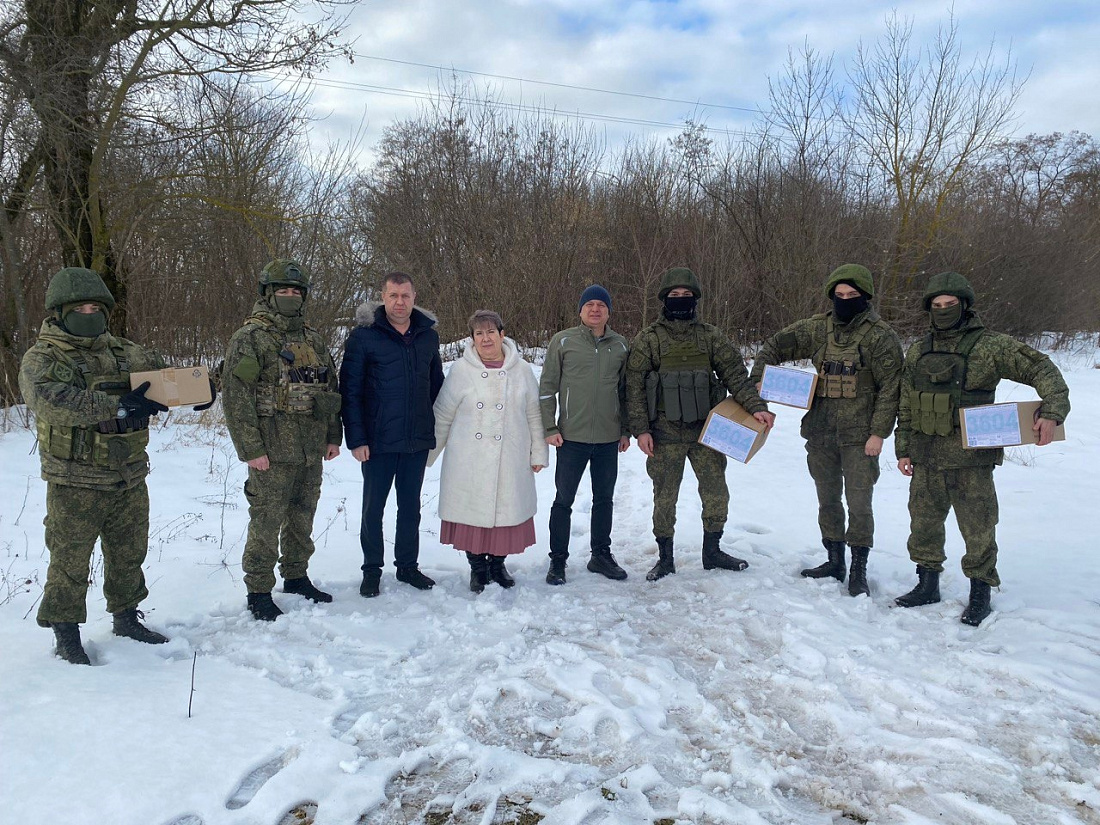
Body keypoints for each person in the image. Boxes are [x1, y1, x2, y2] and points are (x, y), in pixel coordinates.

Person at [19, 267, 204, 663]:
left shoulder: (126, 352)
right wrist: (117, 405)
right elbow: (50, 400)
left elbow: (165, 380)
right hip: (76, 480)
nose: (89, 314)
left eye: (95, 308)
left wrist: (199, 390)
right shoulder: (43, 357)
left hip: (128, 473)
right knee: (70, 560)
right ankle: (66, 633)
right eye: (79, 309)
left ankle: (126, 618)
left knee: (129, 553)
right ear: (59, 312)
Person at [894, 271, 1070, 626]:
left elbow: (1041, 368)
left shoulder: (989, 346)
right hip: (926, 455)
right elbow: (907, 402)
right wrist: (904, 447)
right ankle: (927, 584)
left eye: (950, 304)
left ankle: (980, 592)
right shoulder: (919, 349)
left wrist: (1052, 412)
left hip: (971, 458)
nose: (943, 310)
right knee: (923, 524)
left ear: (965, 305)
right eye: (937, 305)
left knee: (978, 527)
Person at [749, 264, 903, 597]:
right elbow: (774, 346)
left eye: (852, 295)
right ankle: (834, 559)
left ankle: (858, 567)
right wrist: (760, 383)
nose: (845, 300)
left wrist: (879, 433)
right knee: (828, 499)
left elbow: (891, 388)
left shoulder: (881, 336)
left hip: (860, 434)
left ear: (865, 296)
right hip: (821, 431)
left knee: (859, 503)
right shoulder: (818, 329)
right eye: (839, 295)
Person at [625, 267, 775, 581]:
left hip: (708, 432)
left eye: (687, 294)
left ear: (695, 298)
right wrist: (641, 430)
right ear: (664, 299)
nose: (681, 299)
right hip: (664, 433)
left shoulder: (710, 337)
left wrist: (757, 408)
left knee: (716, 492)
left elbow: (736, 376)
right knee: (664, 497)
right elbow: (634, 387)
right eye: (674, 295)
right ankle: (665, 558)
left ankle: (713, 551)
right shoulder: (649, 339)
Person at [222, 259, 343, 621]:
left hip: (309, 447)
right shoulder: (251, 338)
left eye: (296, 291)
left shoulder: (313, 338)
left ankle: (296, 575)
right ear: (268, 294)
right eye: (283, 291)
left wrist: (332, 436)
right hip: (271, 450)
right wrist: (251, 449)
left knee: (302, 516)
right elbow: (237, 396)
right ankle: (259, 590)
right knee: (266, 521)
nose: (290, 296)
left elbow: (329, 390)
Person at [341, 271, 444, 597]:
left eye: (405, 296)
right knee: (373, 509)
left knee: (410, 508)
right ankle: (372, 570)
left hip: (415, 440)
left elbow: (437, 387)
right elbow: (350, 391)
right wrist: (357, 439)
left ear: (414, 298)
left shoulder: (427, 337)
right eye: (393, 296)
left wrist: (435, 428)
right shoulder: (364, 337)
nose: (400, 302)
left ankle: (407, 567)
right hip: (378, 442)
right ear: (383, 297)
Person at [429, 310, 548, 591]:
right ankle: (477, 568)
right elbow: (443, 414)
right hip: (469, 458)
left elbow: (534, 413)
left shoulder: (522, 370)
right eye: (479, 333)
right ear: (472, 338)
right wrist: (428, 453)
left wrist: (538, 452)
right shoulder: (461, 370)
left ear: (502, 335)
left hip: (511, 456)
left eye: (491, 332)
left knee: (505, 513)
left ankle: (497, 565)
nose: (485, 338)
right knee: (472, 515)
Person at [539, 285, 631, 585]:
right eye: (589, 304)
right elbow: (547, 387)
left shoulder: (620, 345)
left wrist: (625, 429)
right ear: (580, 310)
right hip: (571, 438)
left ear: (609, 312)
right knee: (563, 500)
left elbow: (626, 391)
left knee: (604, 499)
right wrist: (549, 427)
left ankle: (600, 555)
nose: (595, 309)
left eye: (601, 305)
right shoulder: (563, 341)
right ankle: (557, 560)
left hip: (608, 437)